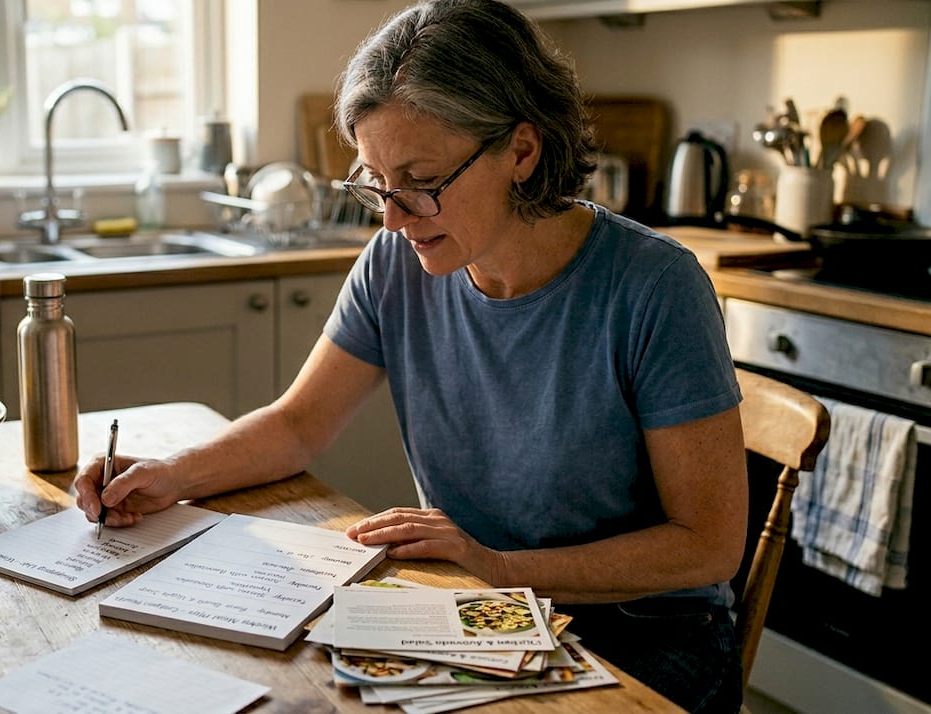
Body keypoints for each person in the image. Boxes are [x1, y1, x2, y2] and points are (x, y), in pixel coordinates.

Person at [76, 1, 746, 711]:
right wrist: (172, 474)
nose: (393, 218)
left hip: (643, 634)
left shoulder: (655, 287)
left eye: (422, 182)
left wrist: (497, 568)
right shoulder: (397, 262)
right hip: (474, 606)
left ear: (522, 152)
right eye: (376, 183)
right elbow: (299, 425)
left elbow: (708, 544)